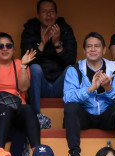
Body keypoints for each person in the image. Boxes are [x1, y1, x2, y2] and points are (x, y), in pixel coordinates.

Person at [62, 32, 115, 156]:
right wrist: (90, 89)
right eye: (89, 46)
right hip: (85, 116)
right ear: (84, 50)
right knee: (70, 106)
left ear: (104, 50)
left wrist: (108, 87)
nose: (93, 49)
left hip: (106, 116)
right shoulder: (74, 70)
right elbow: (68, 97)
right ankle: (74, 155)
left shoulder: (114, 69)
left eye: (97, 46)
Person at [0, 32, 40, 156]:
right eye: (0, 46)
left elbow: (24, 88)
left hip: (17, 107)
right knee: (6, 110)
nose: (5, 49)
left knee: (28, 109)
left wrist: (24, 66)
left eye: (8, 46)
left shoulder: (20, 63)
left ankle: (37, 151)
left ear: (13, 49)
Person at [20, 0, 77, 128]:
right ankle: (36, 115)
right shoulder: (30, 30)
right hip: (40, 86)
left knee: (71, 69)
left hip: (59, 86)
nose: (48, 15)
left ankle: (69, 117)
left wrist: (57, 43)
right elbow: (26, 61)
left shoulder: (65, 30)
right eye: (44, 12)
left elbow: (71, 60)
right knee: (34, 68)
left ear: (56, 15)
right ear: (37, 15)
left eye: (51, 12)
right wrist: (42, 43)